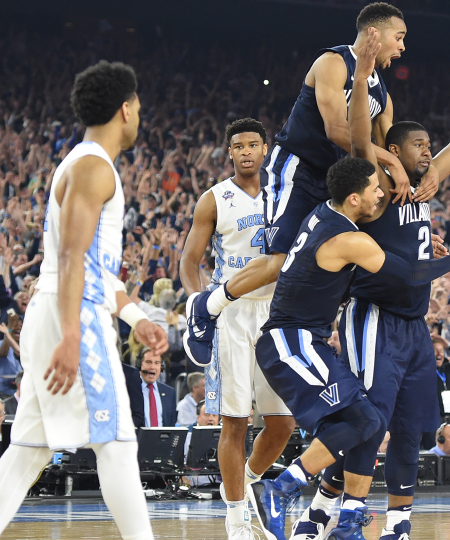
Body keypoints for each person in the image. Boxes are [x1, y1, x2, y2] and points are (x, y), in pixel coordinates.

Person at [182, 2, 421, 367]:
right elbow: (336, 130)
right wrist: (389, 161)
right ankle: (206, 307)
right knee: (281, 260)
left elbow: (390, 150)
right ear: (374, 33)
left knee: (342, 262)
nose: (403, 47)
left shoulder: (382, 94)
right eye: (399, 37)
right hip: (299, 167)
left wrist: (421, 193)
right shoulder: (333, 62)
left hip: (337, 180)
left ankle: (309, 335)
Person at [245, 155, 450, 540]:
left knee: (365, 421)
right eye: (373, 190)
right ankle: (279, 490)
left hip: (304, 339)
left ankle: (306, 505)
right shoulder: (347, 239)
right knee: (363, 421)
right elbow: (410, 275)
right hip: (290, 340)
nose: (381, 193)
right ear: (353, 199)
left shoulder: (325, 214)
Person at [0, 61, 168, 540]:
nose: (139, 114)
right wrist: (73, 334)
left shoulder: (83, 163)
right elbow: (74, 258)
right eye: (138, 106)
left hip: (56, 308)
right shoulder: (93, 166)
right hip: (73, 314)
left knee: (28, 447)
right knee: (116, 441)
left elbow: (89, 268)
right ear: (125, 109)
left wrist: (136, 318)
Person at [179, 118, 297, 539]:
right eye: (238, 146)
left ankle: (245, 484)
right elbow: (189, 261)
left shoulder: (285, 195)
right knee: (235, 422)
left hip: (278, 313)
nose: (245, 151)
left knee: (283, 424)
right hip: (232, 312)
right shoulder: (214, 199)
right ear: (229, 152)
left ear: (265, 149)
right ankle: (236, 520)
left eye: (252, 144)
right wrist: (198, 303)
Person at [130, 340, 177, 428]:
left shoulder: (170, 393)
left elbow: (171, 426)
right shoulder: (130, 391)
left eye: (157, 363)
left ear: (161, 367)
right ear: (139, 364)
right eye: (148, 362)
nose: (152, 367)